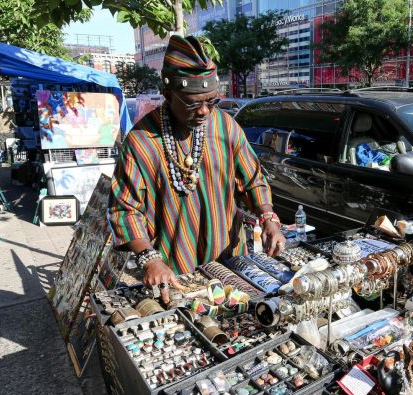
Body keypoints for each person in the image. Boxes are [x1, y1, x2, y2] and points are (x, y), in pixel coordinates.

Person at [108, 35, 285, 290]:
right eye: (193, 103)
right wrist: (148, 259)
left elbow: (253, 179)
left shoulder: (225, 126)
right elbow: (124, 210)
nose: (204, 111)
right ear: (168, 94)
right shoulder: (141, 141)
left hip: (230, 259)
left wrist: (268, 218)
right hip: (174, 269)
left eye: (212, 101)